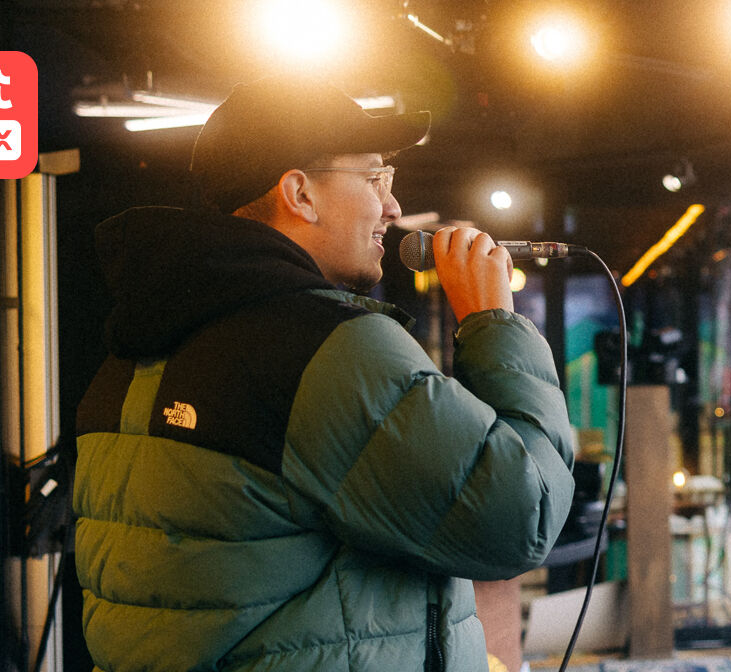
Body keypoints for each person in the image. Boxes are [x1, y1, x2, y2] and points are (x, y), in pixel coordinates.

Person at [73, 75, 576, 672]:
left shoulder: (135, 347)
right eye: (374, 180)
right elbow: (518, 515)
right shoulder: (329, 350)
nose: (391, 207)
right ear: (300, 193)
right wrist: (493, 324)